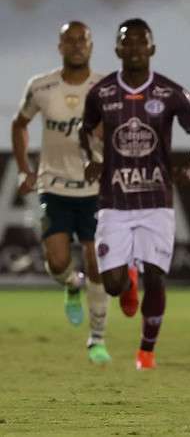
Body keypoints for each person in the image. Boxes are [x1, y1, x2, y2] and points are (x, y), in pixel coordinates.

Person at [79, 18, 190, 370]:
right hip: (114, 201)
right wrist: (91, 158)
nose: (135, 48)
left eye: (142, 42)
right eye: (128, 42)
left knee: (157, 277)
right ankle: (127, 278)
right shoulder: (103, 93)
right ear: (118, 49)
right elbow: (83, 131)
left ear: (151, 48)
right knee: (111, 285)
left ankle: (146, 352)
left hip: (156, 201)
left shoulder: (169, 92)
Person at [10, 21, 124, 364]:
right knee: (57, 262)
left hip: (94, 190)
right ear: (60, 47)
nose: (76, 46)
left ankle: (97, 339)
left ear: (90, 45)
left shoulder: (105, 87)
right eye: (69, 41)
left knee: (96, 261)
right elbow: (19, 124)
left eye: (82, 40)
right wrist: (23, 170)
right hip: (54, 187)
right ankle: (71, 285)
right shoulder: (41, 86)